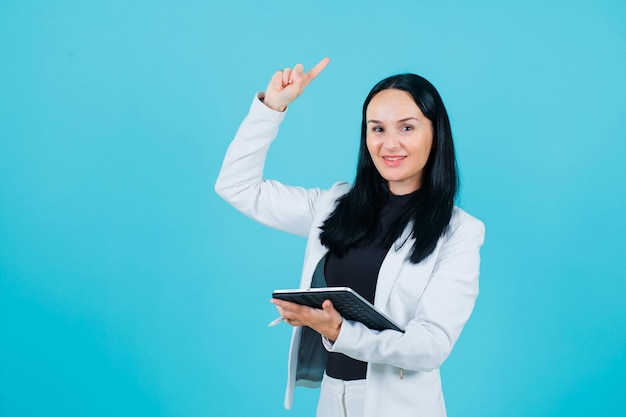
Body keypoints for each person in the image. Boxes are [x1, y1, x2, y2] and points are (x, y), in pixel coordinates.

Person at [215, 57, 485, 417]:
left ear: (435, 133)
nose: (390, 144)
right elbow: (238, 187)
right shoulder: (335, 205)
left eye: (406, 128)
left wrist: (342, 332)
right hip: (332, 398)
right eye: (377, 129)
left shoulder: (460, 232)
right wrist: (271, 109)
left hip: (399, 407)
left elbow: (431, 346)